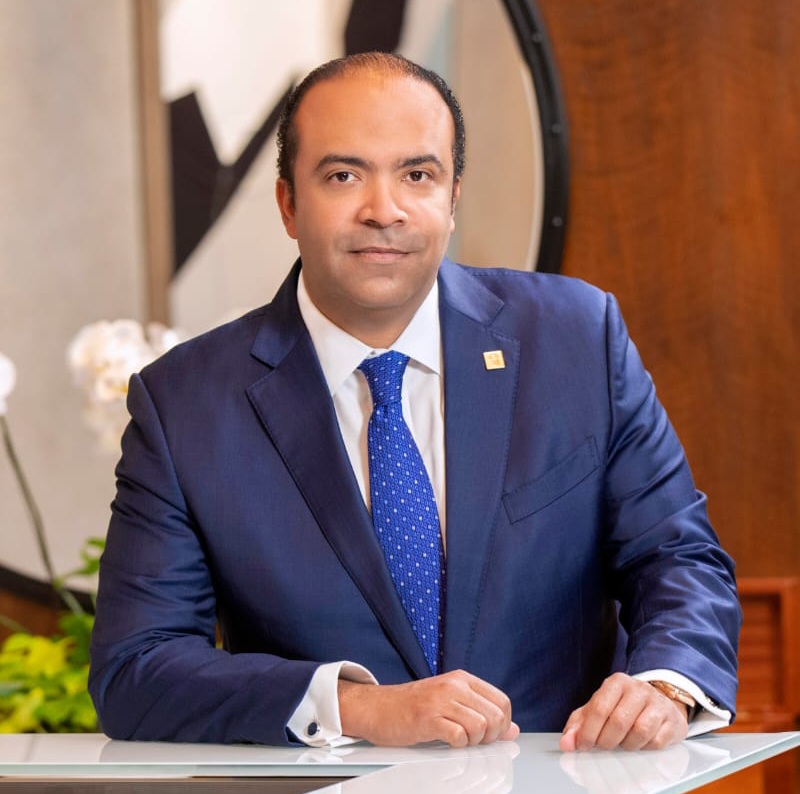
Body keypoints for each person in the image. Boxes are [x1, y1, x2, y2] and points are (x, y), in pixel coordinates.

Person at [89, 52, 741, 752]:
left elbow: (677, 557)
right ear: (288, 204)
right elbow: (136, 669)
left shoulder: (576, 338)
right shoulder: (183, 404)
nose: (385, 211)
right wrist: (357, 708)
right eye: (343, 176)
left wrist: (665, 686)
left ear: (453, 198)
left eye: (417, 175)